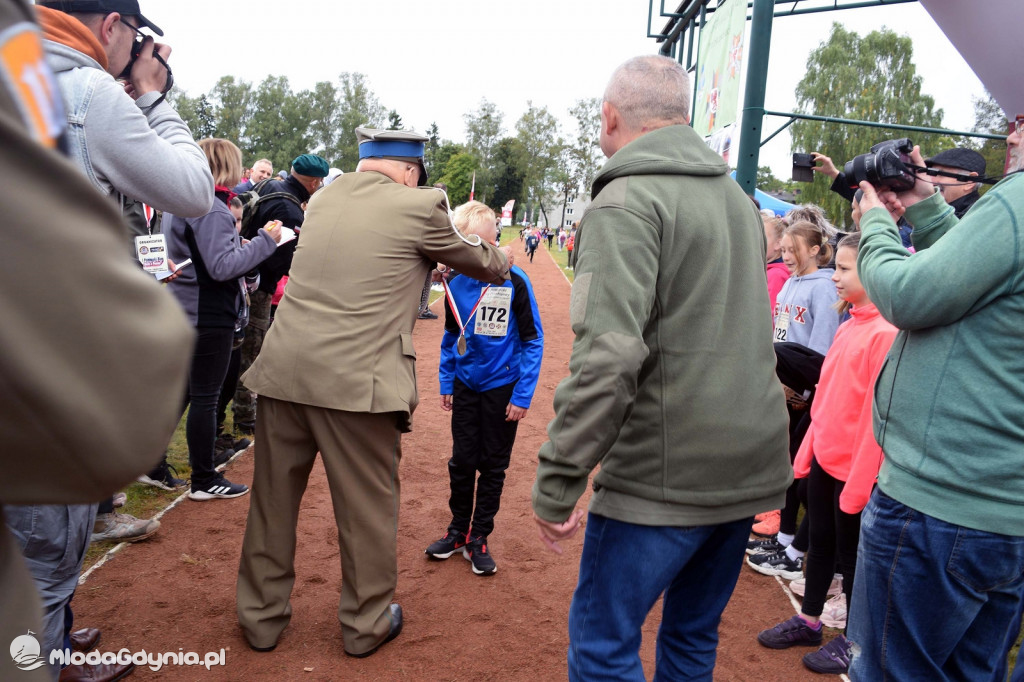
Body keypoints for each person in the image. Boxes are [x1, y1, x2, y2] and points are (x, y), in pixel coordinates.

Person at [530, 55, 791, 680]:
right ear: (682, 116)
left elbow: (609, 356)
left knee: (603, 646)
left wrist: (560, 475)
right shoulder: (735, 200)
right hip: (747, 468)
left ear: (611, 116)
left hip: (662, 479)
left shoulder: (626, 200)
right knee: (692, 640)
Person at [235, 127, 514, 658]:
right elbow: (479, 261)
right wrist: (500, 251)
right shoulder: (419, 205)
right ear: (411, 170)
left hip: (285, 371)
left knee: (272, 504)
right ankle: (365, 625)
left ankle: (260, 619)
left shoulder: (322, 199)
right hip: (357, 386)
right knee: (366, 512)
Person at [0, 5, 192, 681]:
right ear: (112, 26)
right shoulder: (88, 93)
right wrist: (156, 95)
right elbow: (190, 188)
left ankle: (52, 643)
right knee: (48, 554)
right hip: (46, 372)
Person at [846, 126, 1024, 680]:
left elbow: (907, 295)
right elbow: (986, 281)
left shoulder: (1017, 201)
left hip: (941, 505)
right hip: (1003, 509)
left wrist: (876, 222)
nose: (1011, 130)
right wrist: (926, 208)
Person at [756, 231, 897, 675]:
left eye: (843, 268)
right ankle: (809, 619)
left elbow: (878, 419)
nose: (834, 275)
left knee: (853, 560)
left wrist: (859, 481)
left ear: (875, 272)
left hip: (855, 472)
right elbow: (827, 398)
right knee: (820, 546)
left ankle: (854, 643)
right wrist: (808, 453)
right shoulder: (850, 325)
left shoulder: (885, 334)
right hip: (825, 461)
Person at [159, 138, 284, 501]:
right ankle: (203, 478)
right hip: (207, 312)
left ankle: (153, 463)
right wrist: (265, 243)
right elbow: (221, 267)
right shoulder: (210, 208)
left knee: (186, 392)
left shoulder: (178, 204)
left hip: (184, 307)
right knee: (205, 397)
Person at [425, 201, 544, 576]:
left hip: (502, 388)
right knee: (462, 461)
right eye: (467, 242)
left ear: (495, 240)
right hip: (465, 385)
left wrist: (522, 394)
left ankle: (479, 536)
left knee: (492, 465)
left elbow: (532, 340)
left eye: (482, 241)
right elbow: (450, 334)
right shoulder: (454, 283)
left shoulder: (515, 281)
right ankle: (458, 530)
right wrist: (447, 379)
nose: (475, 250)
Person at [231, 153, 328, 435]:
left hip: (241, 276)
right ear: (313, 182)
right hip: (259, 286)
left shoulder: (269, 186)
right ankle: (245, 414)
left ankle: (239, 410)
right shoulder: (290, 211)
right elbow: (283, 260)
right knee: (252, 351)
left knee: (241, 348)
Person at [923, 146, 987, 218]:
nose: (930, 180)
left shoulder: (976, 219)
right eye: (930, 173)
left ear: (970, 181)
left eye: (940, 174)